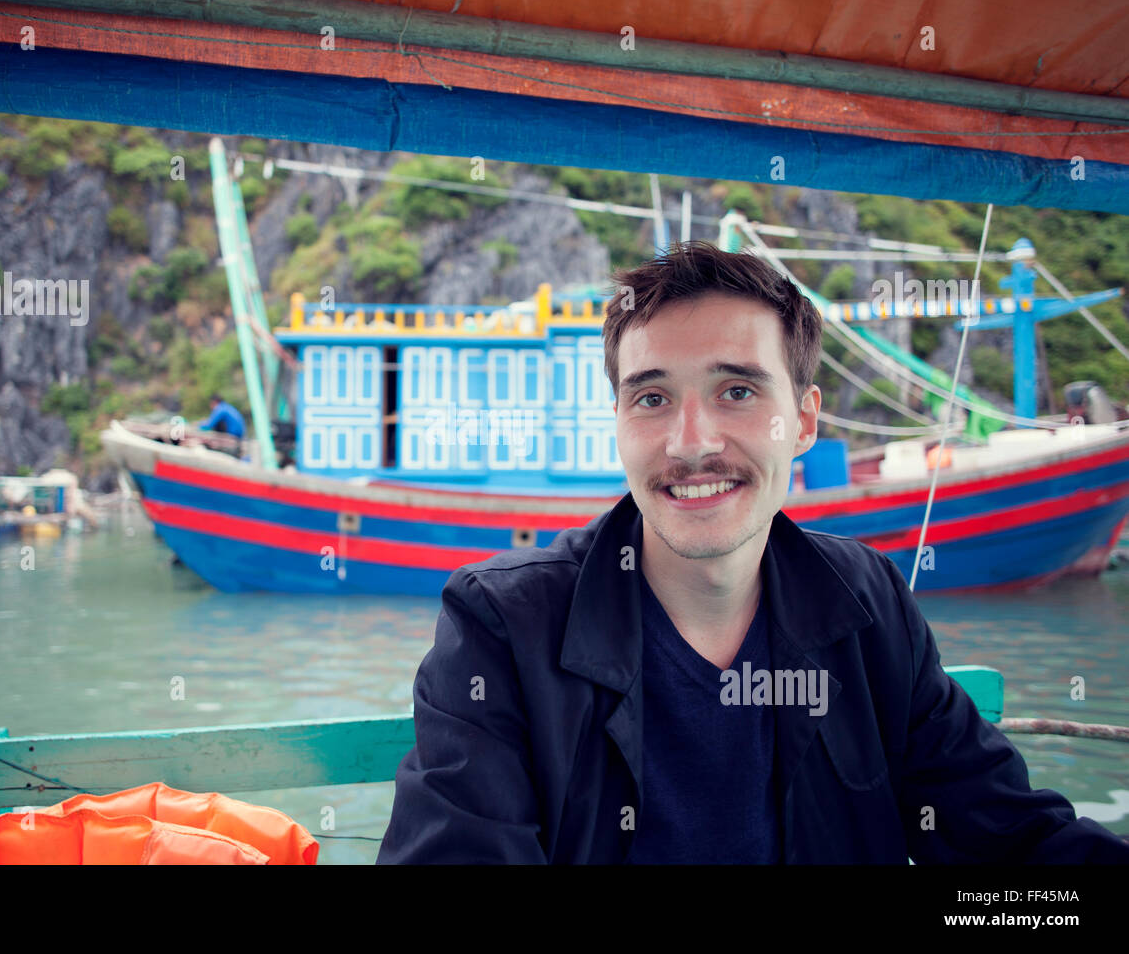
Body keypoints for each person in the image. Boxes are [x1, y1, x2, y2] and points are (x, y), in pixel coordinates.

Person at [377, 241, 1129, 864]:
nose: (692, 442)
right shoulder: (504, 626)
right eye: (652, 397)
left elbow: (1010, 840)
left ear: (802, 423)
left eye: (737, 391)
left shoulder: (867, 605)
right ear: (618, 422)